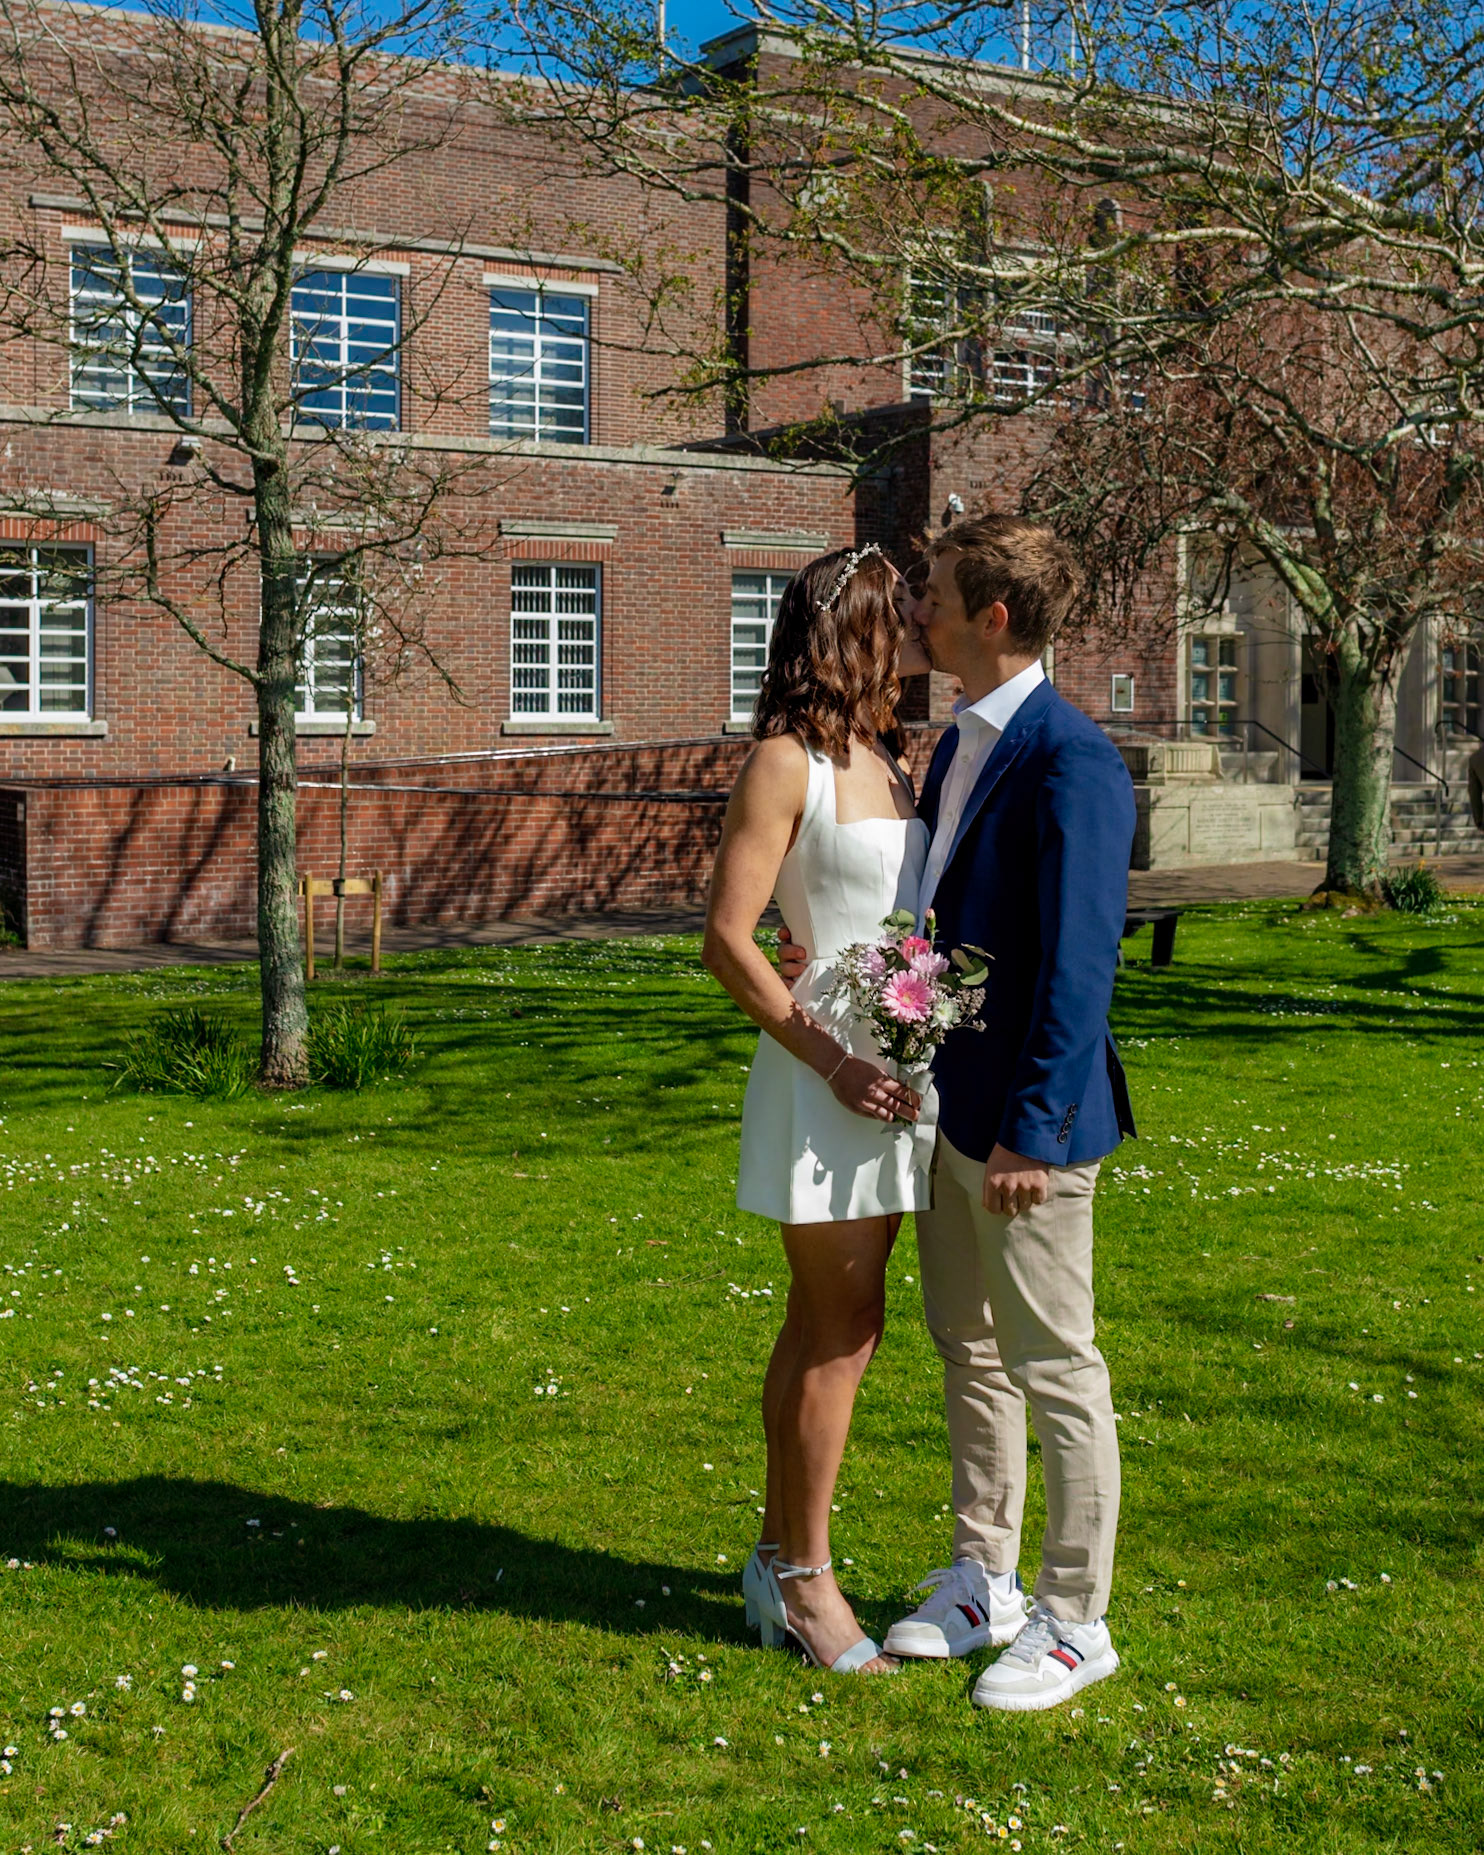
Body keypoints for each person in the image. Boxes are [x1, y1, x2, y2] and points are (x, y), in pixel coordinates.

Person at [779, 514, 1137, 1711]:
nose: (915, 615)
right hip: (943, 1109)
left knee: (1054, 1363)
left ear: (989, 617)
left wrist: (1033, 1130)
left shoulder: (1069, 758)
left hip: (1027, 1130)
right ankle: (982, 1575)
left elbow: (1082, 965)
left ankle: (1076, 1618)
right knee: (968, 1351)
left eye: (931, 596)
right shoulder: (954, 746)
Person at [702, 542, 932, 1675]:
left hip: (899, 1078)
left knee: (832, 1324)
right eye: (905, 618)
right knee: (840, 1329)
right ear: (860, 629)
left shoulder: (892, 759)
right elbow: (726, 941)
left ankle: (772, 1555)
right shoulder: (783, 762)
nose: (921, 637)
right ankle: (807, 1583)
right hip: (825, 1079)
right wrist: (833, 1060)